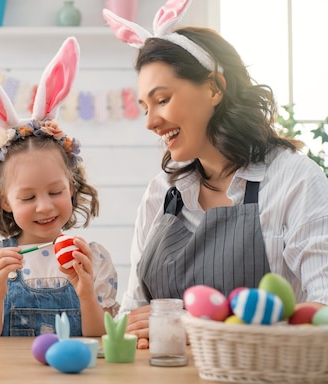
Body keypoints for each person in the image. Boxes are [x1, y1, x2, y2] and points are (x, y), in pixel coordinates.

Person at [104, 0, 328, 349]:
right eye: (145, 108)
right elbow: (133, 314)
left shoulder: (294, 181)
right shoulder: (161, 192)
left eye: (161, 100)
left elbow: (324, 313)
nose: (150, 122)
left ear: (214, 88)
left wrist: (195, 326)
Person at [0, 37, 119, 337]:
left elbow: (102, 339)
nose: (44, 206)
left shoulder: (93, 258)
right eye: (28, 196)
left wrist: (85, 293)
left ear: (71, 186)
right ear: (4, 200)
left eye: (55, 192)